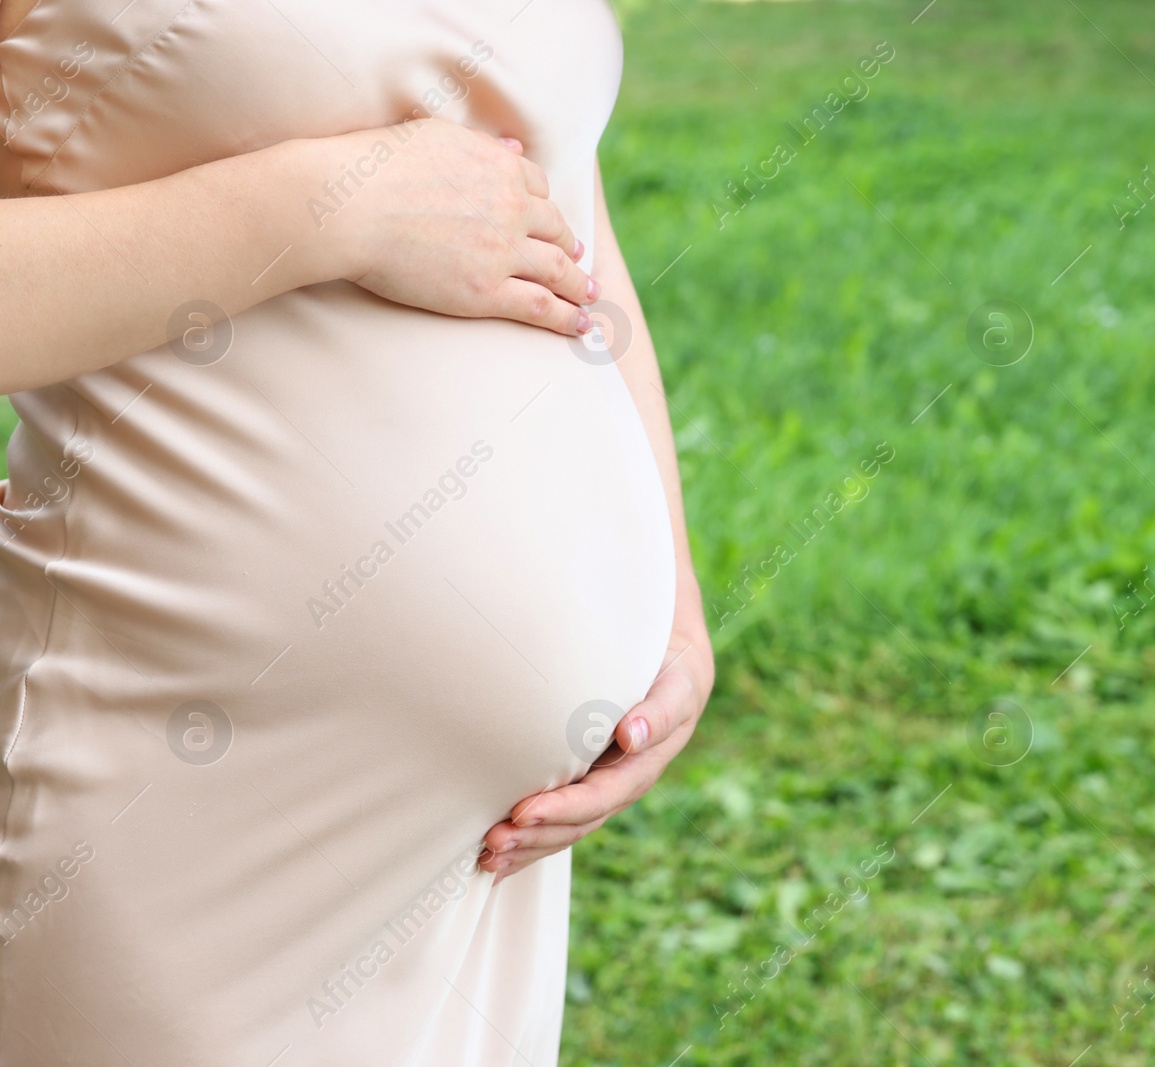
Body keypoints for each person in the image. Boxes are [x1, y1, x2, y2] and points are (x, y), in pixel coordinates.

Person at [0, 0, 713, 1061]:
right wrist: (319, 210)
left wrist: (673, 623)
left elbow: (562, 205)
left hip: (483, 859)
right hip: (178, 804)